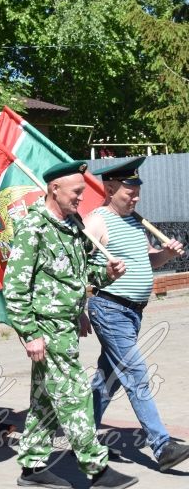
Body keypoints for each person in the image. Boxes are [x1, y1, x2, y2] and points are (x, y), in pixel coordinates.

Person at [4, 160, 137, 489]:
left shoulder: (73, 224)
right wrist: (30, 333)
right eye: (77, 191)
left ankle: (33, 468)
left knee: (45, 397)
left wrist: (107, 274)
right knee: (75, 392)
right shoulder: (33, 226)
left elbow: (77, 275)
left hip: (64, 323)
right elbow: (15, 287)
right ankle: (96, 468)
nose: (81, 198)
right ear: (54, 189)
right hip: (46, 327)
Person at [84, 157, 189, 472]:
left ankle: (83, 438)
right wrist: (79, 308)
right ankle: (162, 445)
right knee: (136, 374)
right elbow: (76, 268)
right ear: (111, 188)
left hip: (132, 313)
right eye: (130, 192)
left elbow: (148, 262)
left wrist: (166, 254)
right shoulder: (96, 222)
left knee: (108, 378)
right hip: (110, 308)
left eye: (138, 191)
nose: (136, 197)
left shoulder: (134, 220)